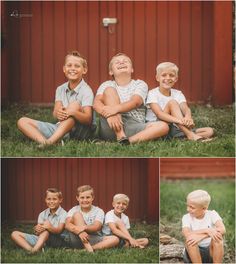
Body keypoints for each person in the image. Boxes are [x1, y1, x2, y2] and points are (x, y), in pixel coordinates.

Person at [17, 51, 96, 147]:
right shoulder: (60, 89)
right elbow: (55, 113)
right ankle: (46, 142)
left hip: (80, 132)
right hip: (60, 128)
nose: (72, 69)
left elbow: (88, 119)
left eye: (77, 66)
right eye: (69, 65)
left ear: (84, 70)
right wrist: (59, 113)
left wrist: (72, 112)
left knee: (74, 105)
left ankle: (51, 141)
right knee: (22, 121)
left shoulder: (86, 91)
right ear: (64, 69)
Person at [93, 53, 169, 144]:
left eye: (125, 61)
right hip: (110, 124)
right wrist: (110, 114)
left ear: (132, 69)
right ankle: (120, 135)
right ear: (111, 72)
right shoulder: (106, 84)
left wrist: (115, 109)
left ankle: (127, 142)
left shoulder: (140, 84)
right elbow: (96, 103)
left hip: (134, 125)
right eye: (117, 62)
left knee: (163, 126)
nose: (121, 63)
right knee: (109, 90)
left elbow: (135, 102)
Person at [146, 62, 214, 141]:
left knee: (209, 131)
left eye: (171, 75)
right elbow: (159, 114)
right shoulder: (152, 93)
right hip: (158, 127)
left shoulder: (178, 93)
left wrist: (188, 117)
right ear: (157, 78)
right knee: (172, 103)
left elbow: (185, 108)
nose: (168, 78)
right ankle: (190, 135)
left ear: (176, 79)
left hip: (174, 128)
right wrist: (181, 121)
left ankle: (180, 137)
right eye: (164, 75)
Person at [11, 188, 67, 253]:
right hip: (41, 239)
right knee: (14, 234)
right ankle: (31, 250)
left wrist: (49, 227)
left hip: (56, 240)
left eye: (54, 199)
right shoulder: (42, 214)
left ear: (60, 200)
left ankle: (35, 249)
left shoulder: (64, 214)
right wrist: (37, 230)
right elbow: (38, 233)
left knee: (46, 232)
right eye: (49, 199)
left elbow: (59, 231)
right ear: (45, 200)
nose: (51, 201)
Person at [65, 185, 119, 252]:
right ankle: (89, 249)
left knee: (115, 239)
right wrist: (80, 232)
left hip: (93, 239)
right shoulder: (74, 209)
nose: (85, 200)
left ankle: (84, 250)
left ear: (92, 198)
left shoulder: (98, 211)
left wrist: (84, 228)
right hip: (77, 238)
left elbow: (96, 226)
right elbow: (67, 225)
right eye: (82, 197)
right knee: (77, 215)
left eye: (88, 197)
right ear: (77, 198)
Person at [182, 190, 226, 263]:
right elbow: (187, 234)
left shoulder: (212, 214)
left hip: (211, 251)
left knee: (218, 238)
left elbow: (222, 229)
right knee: (190, 241)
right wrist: (207, 230)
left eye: (192, 207)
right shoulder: (186, 217)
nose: (188, 209)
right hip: (194, 252)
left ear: (204, 208)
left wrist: (202, 236)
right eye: (187, 205)